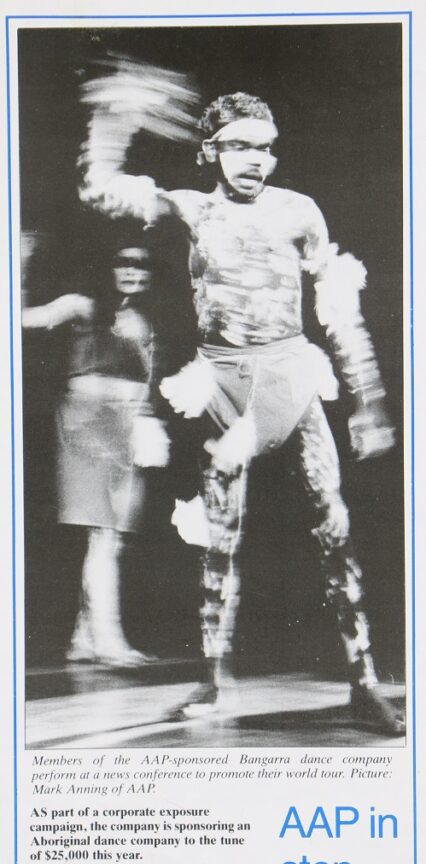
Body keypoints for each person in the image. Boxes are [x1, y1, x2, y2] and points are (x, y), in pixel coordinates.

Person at [78, 64, 404, 734]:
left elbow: (337, 306)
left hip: (289, 375)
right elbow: (100, 190)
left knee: (332, 528)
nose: (256, 159)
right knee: (218, 542)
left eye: (265, 146)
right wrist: (117, 117)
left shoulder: (299, 211)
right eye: (240, 146)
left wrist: (368, 398)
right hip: (223, 383)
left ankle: (362, 679)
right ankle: (210, 679)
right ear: (212, 151)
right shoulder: (192, 210)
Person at [22, 239, 170, 668]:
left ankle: (85, 638)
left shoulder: (146, 318)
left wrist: (147, 422)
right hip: (88, 422)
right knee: (103, 534)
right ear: (108, 266)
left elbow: (148, 379)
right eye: (123, 262)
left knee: (112, 537)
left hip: (128, 425)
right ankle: (108, 639)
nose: (132, 271)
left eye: (141, 265)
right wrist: (20, 265)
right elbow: (24, 319)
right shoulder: (83, 305)